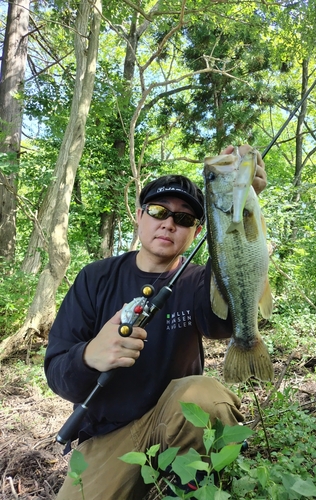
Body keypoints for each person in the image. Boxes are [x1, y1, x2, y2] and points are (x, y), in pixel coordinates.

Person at [44, 145, 267, 500]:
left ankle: (187, 488)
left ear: (196, 232)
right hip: (108, 435)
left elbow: (221, 323)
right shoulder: (95, 278)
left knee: (205, 396)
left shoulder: (198, 280)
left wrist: (242, 203)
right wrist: (90, 356)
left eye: (184, 219)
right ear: (139, 215)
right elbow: (57, 372)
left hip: (177, 421)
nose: (169, 223)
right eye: (159, 211)